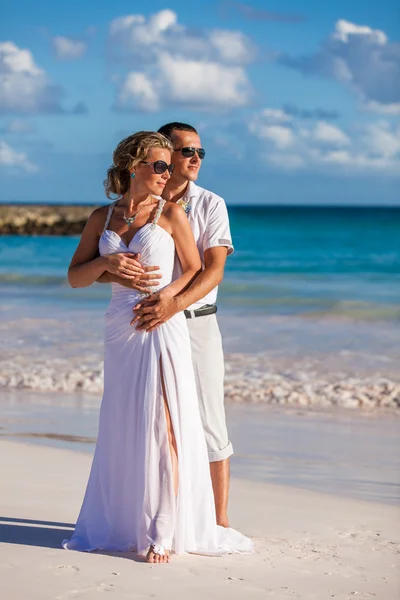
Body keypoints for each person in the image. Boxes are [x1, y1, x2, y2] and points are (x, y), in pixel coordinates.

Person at [62, 131, 253, 563]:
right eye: (161, 165)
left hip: (161, 326)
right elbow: (76, 276)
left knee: (164, 422)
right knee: (124, 422)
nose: (168, 173)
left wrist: (168, 300)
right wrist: (106, 266)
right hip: (119, 328)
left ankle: (162, 529)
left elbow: (197, 268)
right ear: (135, 167)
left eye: (172, 164)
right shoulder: (101, 217)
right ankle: (128, 520)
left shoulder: (172, 214)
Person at [101, 122, 234, 529]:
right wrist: (111, 271)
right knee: (153, 420)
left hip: (192, 322)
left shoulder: (209, 204)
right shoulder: (134, 204)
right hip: (140, 326)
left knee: (209, 422)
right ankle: (155, 515)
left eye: (200, 152)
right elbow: (119, 267)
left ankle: (218, 522)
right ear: (161, 156)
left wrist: (173, 305)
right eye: (186, 152)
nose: (195, 159)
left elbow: (211, 272)